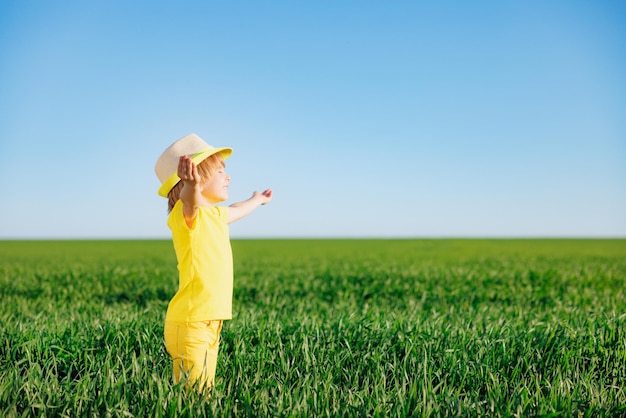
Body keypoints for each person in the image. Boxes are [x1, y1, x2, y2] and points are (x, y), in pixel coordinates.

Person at [154, 133, 272, 393]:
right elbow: (190, 201)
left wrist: (257, 199)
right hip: (190, 323)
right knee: (193, 396)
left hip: (210, 322)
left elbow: (238, 209)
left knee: (203, 393)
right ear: (194, 176)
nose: (227, 176)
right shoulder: (185, 216)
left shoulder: (215, 215)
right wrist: (191, 186)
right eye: (219, 170)